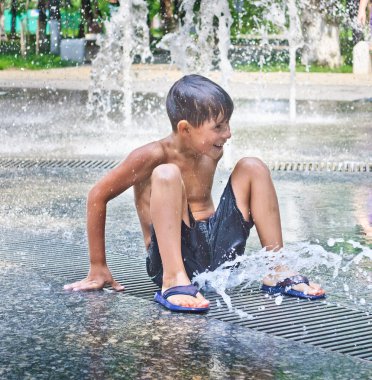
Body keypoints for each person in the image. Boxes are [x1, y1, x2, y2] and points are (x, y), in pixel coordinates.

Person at [64, 75, 325, 312]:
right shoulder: (152, 156)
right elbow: (97, 195)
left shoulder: (209, 150)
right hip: (170, 258)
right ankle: (173, 281)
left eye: (228, 124)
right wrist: (98, 267)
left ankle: (277, 269)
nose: (228, 134)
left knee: (252, 166)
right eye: (219, 127)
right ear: (185, 129)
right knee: (167, 174)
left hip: (217, 253)